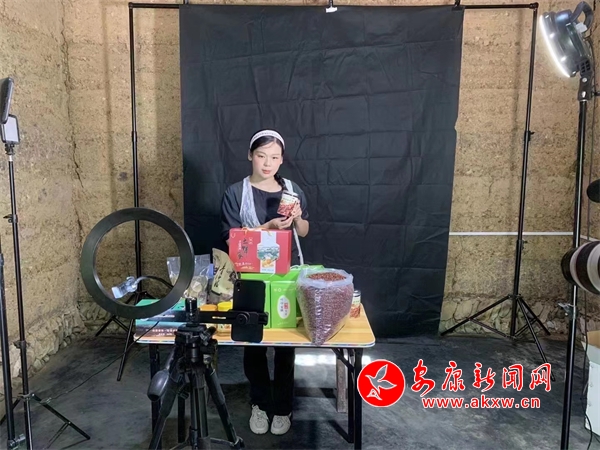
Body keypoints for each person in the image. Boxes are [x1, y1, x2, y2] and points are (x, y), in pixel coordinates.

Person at [220, 129, 309, 436]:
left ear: (282, 159)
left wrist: (298, 219)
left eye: (274, 157)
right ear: (250, 156)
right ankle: (259, 403)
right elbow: (231, 240)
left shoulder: (292, 189)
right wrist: (269, 226)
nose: (267, 163)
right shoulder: (235, 192)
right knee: (253, 341)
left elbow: (305, 231)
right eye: (261, 156)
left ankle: (283, 407)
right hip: (251, 275)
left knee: (286, 343)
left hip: (286, 274)